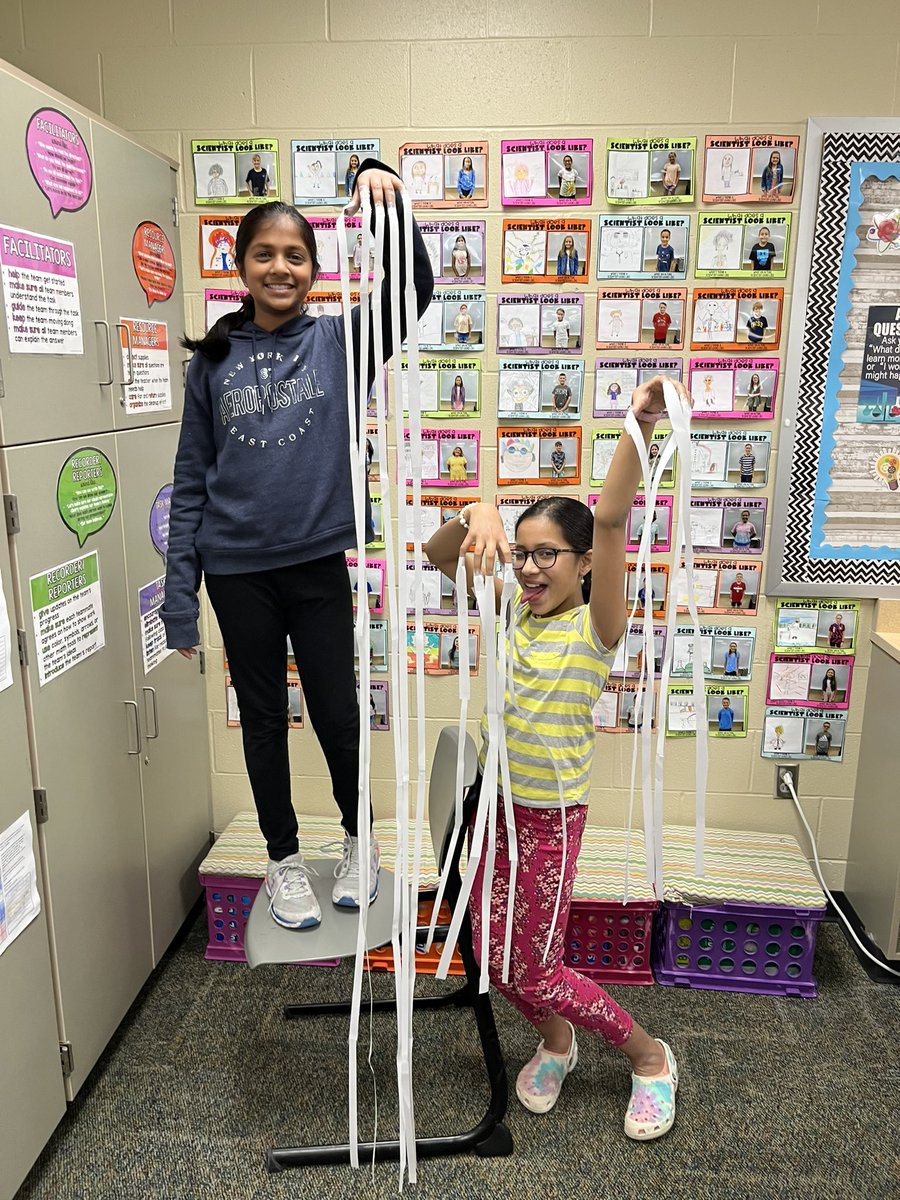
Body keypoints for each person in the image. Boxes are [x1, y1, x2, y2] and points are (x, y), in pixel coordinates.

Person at [161, 165, 434, 931]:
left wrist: (383, 195)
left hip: (316, 564)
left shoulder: (341, 341)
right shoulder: (212, 361)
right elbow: (190, 481)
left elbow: (415, 286)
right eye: (265, 254)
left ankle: (359, 841)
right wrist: (179, 601)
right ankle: (282, 861)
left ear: (314, 268)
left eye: (295, 255)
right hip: (236, 572)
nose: (280, 267)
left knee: (338, 715)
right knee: (261, 719)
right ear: (239, 263)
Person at [425, 374, 688, 1141]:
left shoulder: (594, 629)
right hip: (495, 811)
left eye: (549, 555)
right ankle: (557, 1041)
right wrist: (475, 512)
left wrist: (637, 428)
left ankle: (648, 1056)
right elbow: (438, 554)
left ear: (584, 563)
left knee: (535, 967)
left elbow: (611, 519)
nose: (531, 569)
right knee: (490, 953)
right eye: (523, 555)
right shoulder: (513, 608)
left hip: (549, 823)